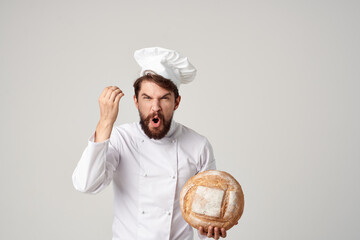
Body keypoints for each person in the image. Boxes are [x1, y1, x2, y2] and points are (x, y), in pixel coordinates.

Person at [72, 47, 228, 240]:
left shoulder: (198, 146)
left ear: (176, 102)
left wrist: (209, 229)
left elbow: (207, 218)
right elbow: (86, 184)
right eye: (147, 98)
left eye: (164, 98)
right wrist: (105, 122)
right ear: (136, 101)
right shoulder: (121, 138)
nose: (155, 108)